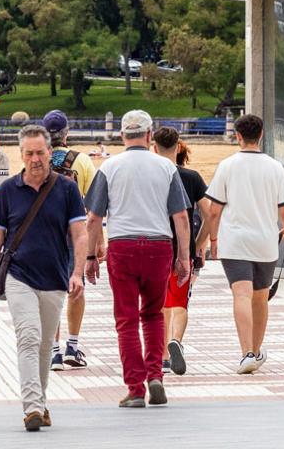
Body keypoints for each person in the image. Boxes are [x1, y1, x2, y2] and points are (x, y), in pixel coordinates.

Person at [0, 124, 87, 432]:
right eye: (29, 153)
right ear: (21, 155)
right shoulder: (9, 190)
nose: (35, 159)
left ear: (50, 153)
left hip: (55, 277)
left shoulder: (67, 190)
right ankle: (31, 408)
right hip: (19, 275)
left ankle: (40, 401)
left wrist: (77, 272)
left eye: (40, 152)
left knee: (43, 345)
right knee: (28, 336)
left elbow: (80, 235)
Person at [85, 111, 190, 408]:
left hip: (123, 246)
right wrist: (184, 258)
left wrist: (91, 256)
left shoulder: (110, 167)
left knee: (127, 320)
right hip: (159, 247)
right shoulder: (166, 168)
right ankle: (155, 375)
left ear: (121, 136)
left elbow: (94, 218)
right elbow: (180, 216)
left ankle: (135, 388)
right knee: (154, 315)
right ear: (149, 136)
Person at [205, 113, 284, 374]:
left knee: (241, 294)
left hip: (234, 241)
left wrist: (213, 238)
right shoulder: (275, 167)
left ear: (238, 136)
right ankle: (256, 351)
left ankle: (245, 352)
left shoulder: (227, 165)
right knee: (260, 297)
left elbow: (213, 210)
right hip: (265, 242)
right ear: (262, 134)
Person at [42, 109, 98, 371]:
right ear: (67, 133)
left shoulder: (35, 159)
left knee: (50, 293)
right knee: (76, 289)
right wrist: (97, 245)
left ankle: (53, 352)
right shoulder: (83, 161)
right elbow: (95, 206)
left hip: (45, 235)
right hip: (74, 234)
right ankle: (72, 347)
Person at [155, 133, 211, 376]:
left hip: (156, 247)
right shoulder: (191, 177)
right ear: (178, 147)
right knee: (180, 301)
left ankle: (163, 356)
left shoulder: (151, 175)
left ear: (153, 148)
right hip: (183, 248)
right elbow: (210, 215)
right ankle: (176, 340)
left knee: (159, 303)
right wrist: (200, 244)